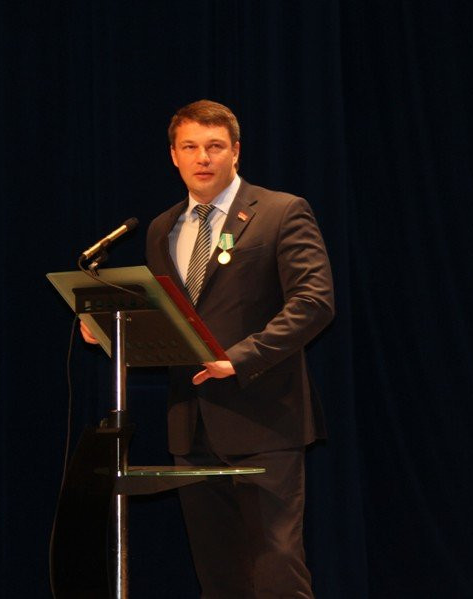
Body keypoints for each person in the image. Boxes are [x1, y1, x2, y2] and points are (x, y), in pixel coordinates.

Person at [82, 99, 334, 598]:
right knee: (219, 577)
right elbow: (171, 321)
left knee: (276, 572)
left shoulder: (281, 212)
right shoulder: (162, 228)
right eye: (190, 147)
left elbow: (314, 303)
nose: (203, 157)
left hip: (264, 419)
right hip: (190, 424)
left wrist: (238, 359)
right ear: (173, 156)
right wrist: (112, 331)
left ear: (236, 151)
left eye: (215, 146)